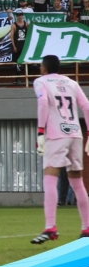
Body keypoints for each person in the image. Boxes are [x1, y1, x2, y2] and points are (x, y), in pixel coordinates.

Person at [32, 55, 89, 244]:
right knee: (77, 182)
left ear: (44, 68)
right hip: (75, 134)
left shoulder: (40, 81)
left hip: (57, 134)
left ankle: (50, 227)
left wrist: (40, 131)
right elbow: (86, 106)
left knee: (49, 177)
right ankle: (86, 228)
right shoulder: (71, 82)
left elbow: (42, 104)